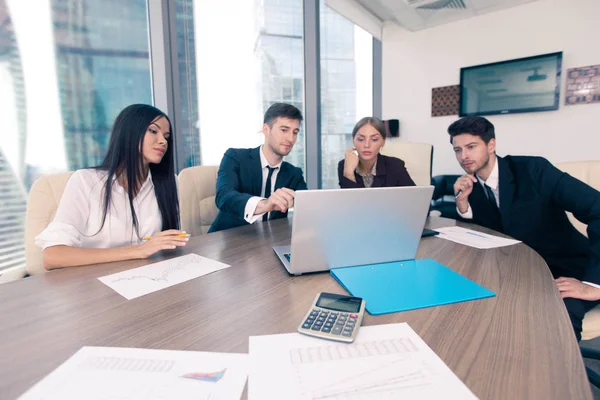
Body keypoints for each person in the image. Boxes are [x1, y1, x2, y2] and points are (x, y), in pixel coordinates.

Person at [449, 115, 600, 340]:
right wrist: (463, 207)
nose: (464, 156)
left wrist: (593, 284)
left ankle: (565, 374)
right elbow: (484, 236)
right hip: (518, 273)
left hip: (567, 269)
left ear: (491, 145)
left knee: (555, 322)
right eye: (458, 150)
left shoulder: (534, 170)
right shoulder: (470, 186)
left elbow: (597, 208)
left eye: (471, 147)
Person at [36, 104, 187, 270]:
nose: (163, 141)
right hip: (94, 284)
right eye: (153, 131)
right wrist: (138, 251)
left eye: (166, 136)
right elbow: (53, 256)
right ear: (129, 132)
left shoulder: (168, 183)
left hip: (147, 277)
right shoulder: (85, 181)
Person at [208, 103, 307, 233]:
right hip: (229, 240)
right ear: (266, 130)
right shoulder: (235, 157)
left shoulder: (294, 173)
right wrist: (266, 204)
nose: (290, 138)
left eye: (295, 132)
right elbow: (224, 197)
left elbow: (307, 207)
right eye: (284, 130)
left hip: (270, 242)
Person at [338, 117, 415, 189]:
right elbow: (349, 201)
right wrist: (348, 173)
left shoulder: (395, 165)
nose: (367, 145)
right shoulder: (345, 165)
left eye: (374, 139)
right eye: (361, 139)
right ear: (353, 141)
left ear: (383, 142)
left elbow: (415, 197)